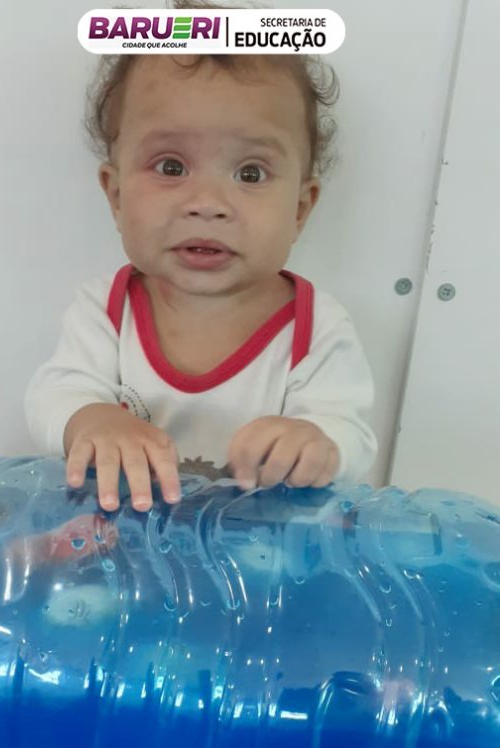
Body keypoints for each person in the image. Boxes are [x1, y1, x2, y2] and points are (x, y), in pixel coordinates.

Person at [25, 25, 377, 514]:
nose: (207, 203)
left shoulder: (315, 327)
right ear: (117, 195)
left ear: (300, 209)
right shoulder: (107, 309)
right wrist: (93, 419)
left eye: (250, 173)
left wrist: (316, 441)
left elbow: (351, 434)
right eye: (171, 167)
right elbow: (55, 394)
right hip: (125, 531)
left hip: (254, 541)